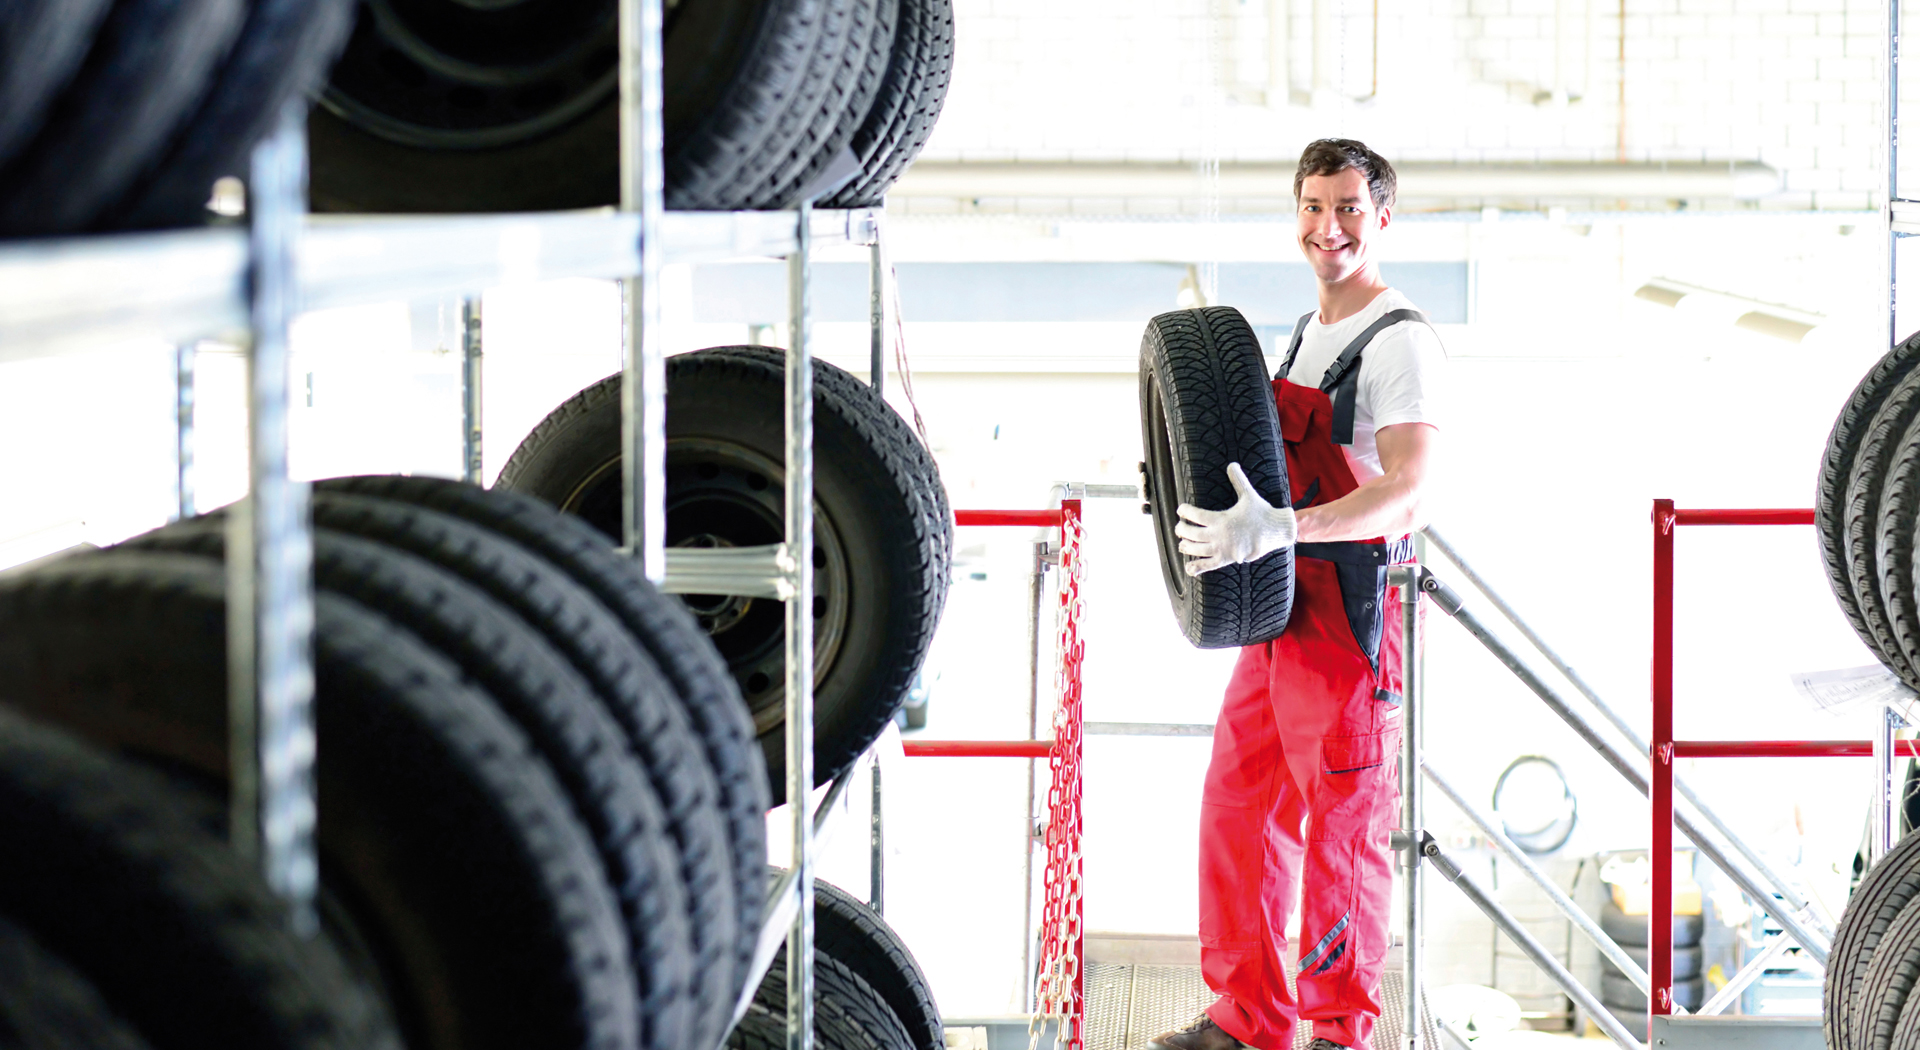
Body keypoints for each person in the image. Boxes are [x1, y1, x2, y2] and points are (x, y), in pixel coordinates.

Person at [1149, 139, 1445, 1050]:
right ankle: (1247, 1018)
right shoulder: (1305, 335)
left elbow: (1409, 488)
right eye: (1315, 206)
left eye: (1350, 207)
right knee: (1238, 808)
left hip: (1351, 615)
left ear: (1382, 216)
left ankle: (1336, 1032)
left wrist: (1285, 529)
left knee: (1343, 835)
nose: (1331, 228)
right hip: (1277, 605)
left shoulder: (1400, 341)